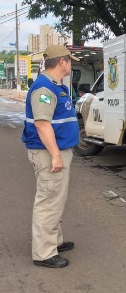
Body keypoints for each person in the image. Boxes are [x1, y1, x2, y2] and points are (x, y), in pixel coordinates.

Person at [22, 45, 80, 268]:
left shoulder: (55, 86)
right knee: (48, 201)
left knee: (56, 199)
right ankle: (44, 253)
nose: (71, 64)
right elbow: (42, 124)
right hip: (48, 154)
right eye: (70, 61)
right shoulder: (45, 88)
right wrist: (55, 155)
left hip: (57, 151)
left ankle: (54, 241)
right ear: (62, 62)